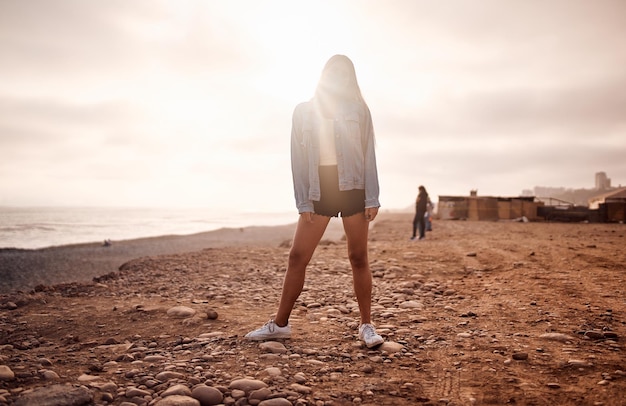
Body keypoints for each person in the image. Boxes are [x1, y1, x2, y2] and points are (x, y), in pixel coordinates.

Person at [245, 55, 384, 348]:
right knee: (297, 256)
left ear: (351, 79)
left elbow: (368, 151)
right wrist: (303, 201)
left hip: (354, 187)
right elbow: (297, 159)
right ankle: (280, 324)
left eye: (345, 74)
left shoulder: (359, 110)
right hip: (319, 189)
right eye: (333, 73)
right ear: (323, 76)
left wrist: (372, 196)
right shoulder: (304, 111)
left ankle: (366, 325)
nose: (338, 78)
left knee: (358, 257)